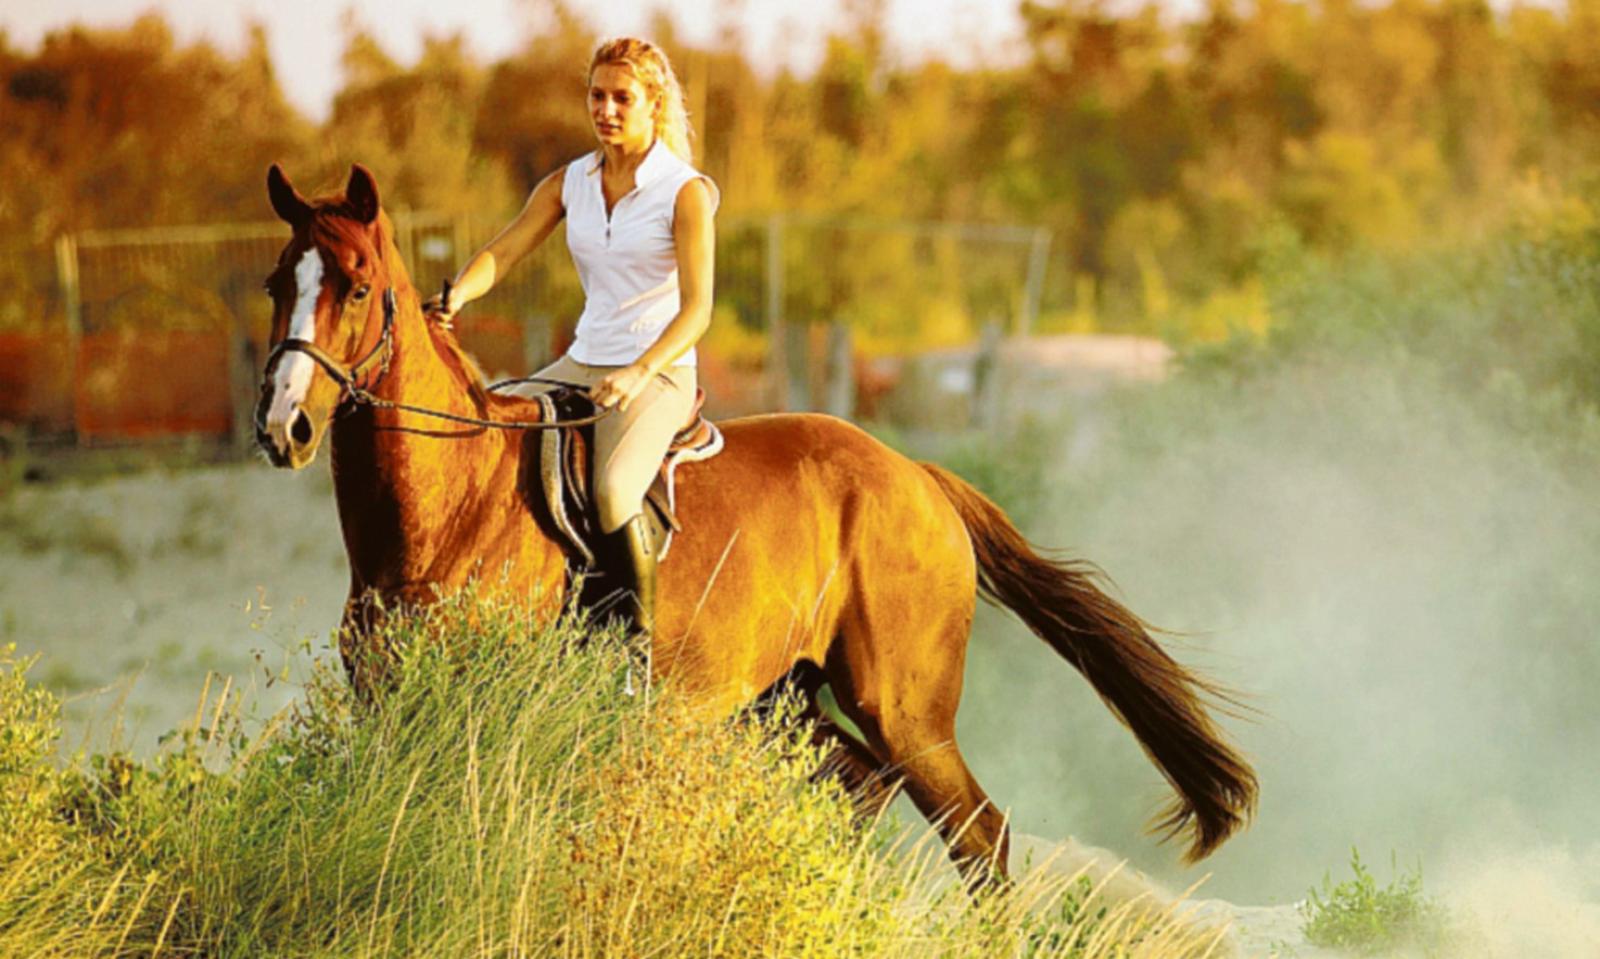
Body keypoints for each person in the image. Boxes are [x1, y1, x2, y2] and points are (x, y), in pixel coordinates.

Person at [424, 37, 718, 639]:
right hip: (582, 359)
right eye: (596, 95)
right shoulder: (571, 182)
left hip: (658, 371)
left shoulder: (683, 191)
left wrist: (638, 372)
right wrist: (457, 295)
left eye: (622, 98)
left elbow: (698, 311)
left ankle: (633, 646)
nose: (606, 110)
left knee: (613, 491)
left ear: (654, 103)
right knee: (488, 430)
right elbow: (505, 251)